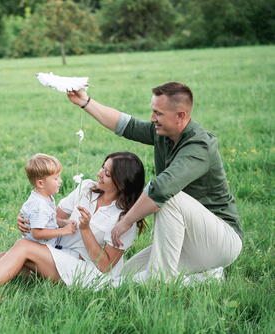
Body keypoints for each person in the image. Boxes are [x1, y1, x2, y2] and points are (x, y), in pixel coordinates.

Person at [66, 81, 243, 281]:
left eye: (158, 113)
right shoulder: (163, 133)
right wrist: (85, 101)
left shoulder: (199, 146)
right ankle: (207, 278)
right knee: (124, 276)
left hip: (221, 240)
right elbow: (125, 125)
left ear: (180, 116)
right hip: (189, 240)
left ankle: (161, 283)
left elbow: (161, 189)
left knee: (168, 196)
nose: (152, 119)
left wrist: (126, 221)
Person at [0, 152, 145, 296]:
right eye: (102, 168)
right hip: (63, 256)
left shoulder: (125, 218)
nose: (99, 173)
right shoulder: (87, 188)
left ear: (123, 182)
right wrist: (27, 220)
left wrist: (85, 229)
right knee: (4, 257)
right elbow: (53, 216)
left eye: (107, 173)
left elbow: (105, 266)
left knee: (23, 247)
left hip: (91, 276)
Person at [19, 153, 77, 246]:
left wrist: (64, 223)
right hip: (37, 249)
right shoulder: (39, 205)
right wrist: (62, 231)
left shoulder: (45, 197)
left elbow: (49, 220)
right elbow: (37, 233)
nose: (60, 180)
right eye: (56, 178)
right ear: (41, 184)